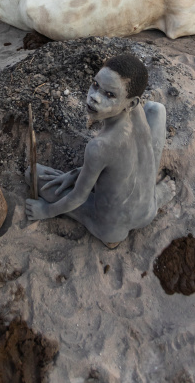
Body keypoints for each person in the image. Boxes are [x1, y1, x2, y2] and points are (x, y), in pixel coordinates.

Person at [25, 54, 175, 247]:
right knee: (156, 109)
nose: (95, 97)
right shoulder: (135, 111)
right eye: (95, 85)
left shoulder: (99, 147)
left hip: (112, 228)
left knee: (33, 174)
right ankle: (158, 195)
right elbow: (120, 163)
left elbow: (77, 198)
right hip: (147, 211)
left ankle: (110, 240)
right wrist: (76, 173)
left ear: (131, 103)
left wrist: (45, 211)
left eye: (109, 95)